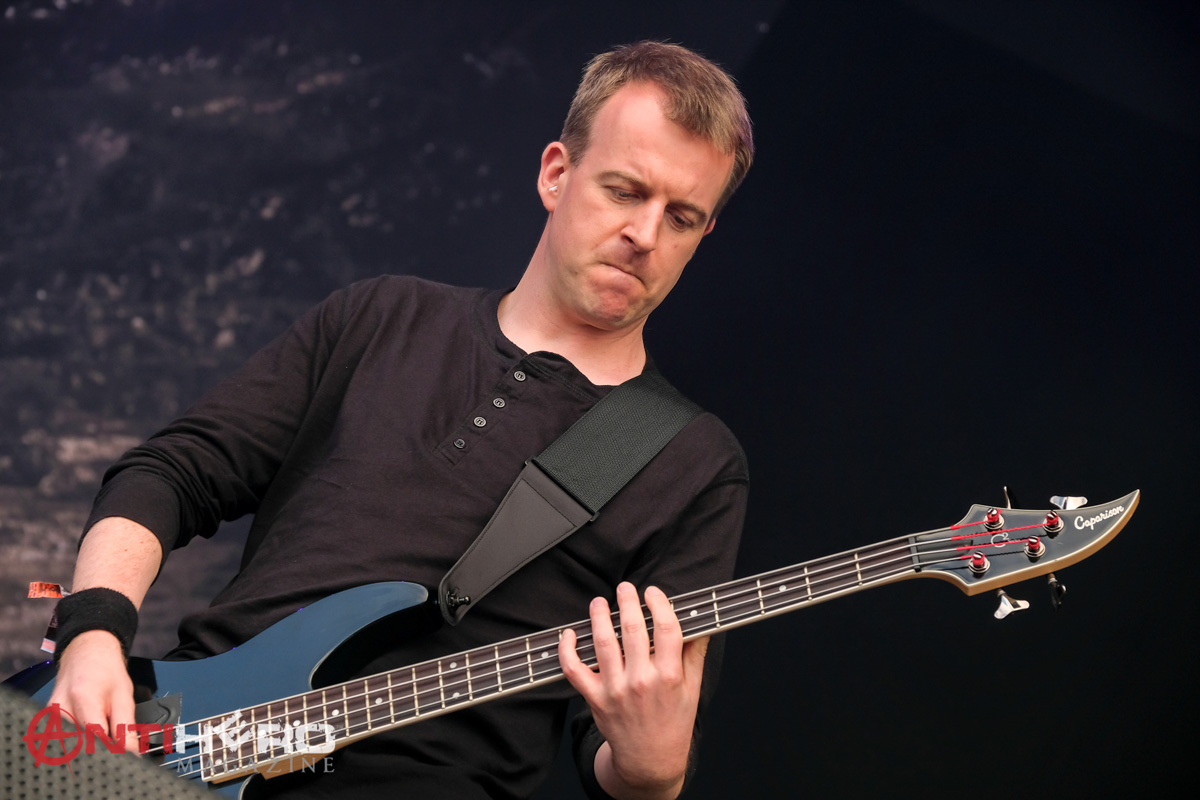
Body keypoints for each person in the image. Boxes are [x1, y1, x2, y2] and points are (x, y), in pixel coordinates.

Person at [47, 41, 754, 799]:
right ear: (557, 173)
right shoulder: (382, 316)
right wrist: (92, 636)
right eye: (624, 191)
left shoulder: (693, 463)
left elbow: (622, 764)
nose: (645, 234)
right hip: (179, 742)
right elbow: (170, 473)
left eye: (681, 217)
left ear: (704, 233)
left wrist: (651, 765)